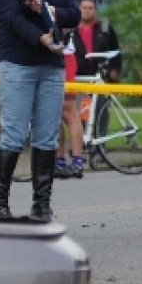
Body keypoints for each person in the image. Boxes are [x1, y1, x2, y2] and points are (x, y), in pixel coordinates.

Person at [0, 0, 81, 222]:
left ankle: (42, 205)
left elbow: (74, 14)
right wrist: (40, 36)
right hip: (17, 62)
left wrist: (49, 10)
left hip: (52, 63)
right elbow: (11, 17)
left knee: (47, 136)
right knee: (14, 133)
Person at [55, 33, 85, 179]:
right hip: (50, 58)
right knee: (55, 114)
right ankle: (59, 160)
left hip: (64, 56)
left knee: (69, 111)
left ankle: (77, 160)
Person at [73, 0, 122, 82]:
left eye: (90, 8)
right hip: (77, 75)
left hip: (102, 74)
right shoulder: (71, 29)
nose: (87, 11)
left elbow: (115, 49)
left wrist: (115, 68)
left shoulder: (105, 27)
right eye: (84, 8)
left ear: (95, 11)